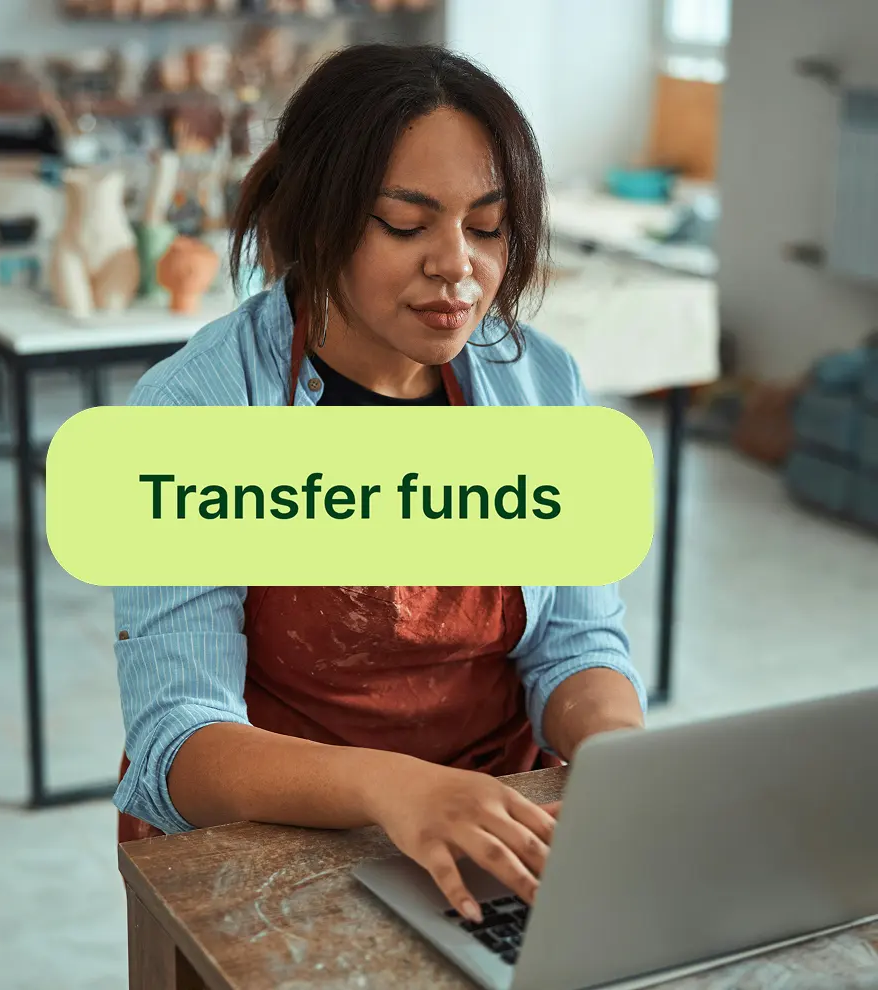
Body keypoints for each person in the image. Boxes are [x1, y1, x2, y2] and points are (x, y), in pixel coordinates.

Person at [113, 43, 646, 925]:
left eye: (487, 226)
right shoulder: (195, 412)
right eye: (407, 223)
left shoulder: (538, 383)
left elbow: (575, 644)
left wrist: (621, 759)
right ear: (318, 219)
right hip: (266, 842)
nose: (458, 266)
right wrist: (393, 789)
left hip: (487, 834)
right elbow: (178, 742)